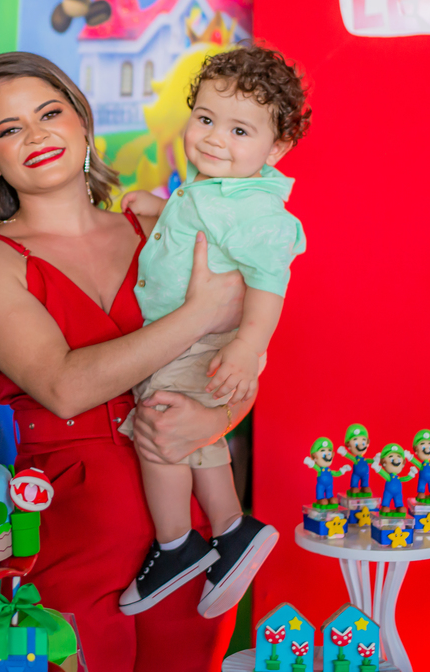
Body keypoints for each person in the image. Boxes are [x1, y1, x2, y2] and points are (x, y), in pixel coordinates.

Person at [0, 51, 249, 672]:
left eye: (49, 114)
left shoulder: (157, 227)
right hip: (71, 525)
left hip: (191, 523)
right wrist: (197, 313)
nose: (35, 136)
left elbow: (239, 359)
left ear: (83, 121)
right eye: (9, 128)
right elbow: (64, 386)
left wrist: (217, 419)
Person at [115, 45, 308, 617]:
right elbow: (202, 227)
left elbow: (269, 282)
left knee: (160, 431)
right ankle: (230, 528)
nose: (215, 139)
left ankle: (175, 543)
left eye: (239, 131)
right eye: (205, 119)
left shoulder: (257, 212)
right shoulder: (217, 189)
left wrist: (248, 347)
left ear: (276, 149)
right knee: (198, 436)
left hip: (200, 342)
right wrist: (160, 209)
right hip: (186, 338)